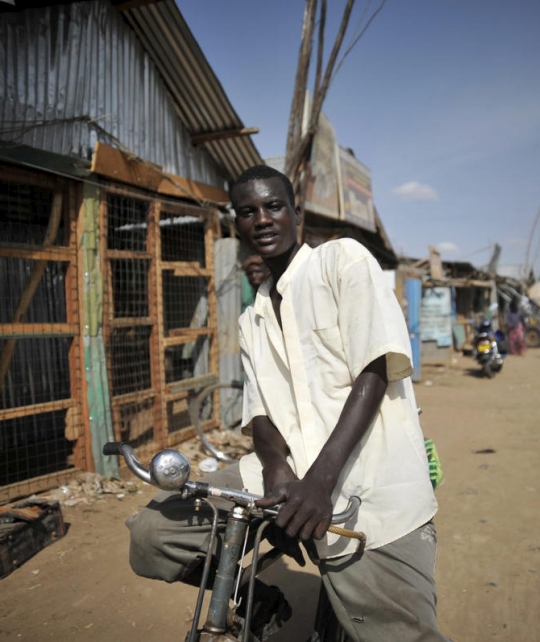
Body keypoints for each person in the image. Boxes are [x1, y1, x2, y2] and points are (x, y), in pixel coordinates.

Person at [126, 165, 446, 641]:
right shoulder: (253, 315)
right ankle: (255, 601)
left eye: (274, 206)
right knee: (154, 533)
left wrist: (318, 483)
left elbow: (375, 371)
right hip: (289, 478)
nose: (263, 219)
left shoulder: (341, 262)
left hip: (372, 486)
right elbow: (259, 413)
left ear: (296, 213)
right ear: (237, 224)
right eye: (248, 211)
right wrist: (276, 470)